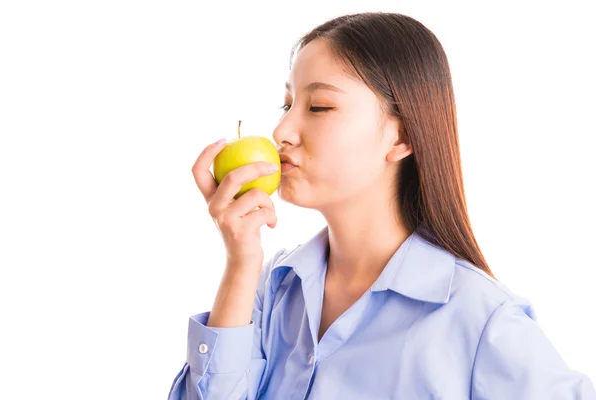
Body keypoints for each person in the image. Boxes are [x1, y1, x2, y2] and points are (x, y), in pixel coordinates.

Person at [168, 11, 596, 400]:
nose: (282, 129)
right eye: (287, 104)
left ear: (402, 137)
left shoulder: (481, 321)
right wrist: (241, 262)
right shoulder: (272, 291)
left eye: (319, 106)